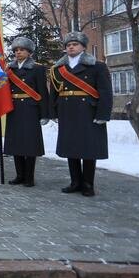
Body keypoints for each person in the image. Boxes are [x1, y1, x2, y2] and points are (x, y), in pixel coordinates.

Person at [50, 31, 112, 197]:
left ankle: (88, 184)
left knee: (89, 149)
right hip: (66, 111)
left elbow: (105, 92)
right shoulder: (58, 69)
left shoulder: (97, 66)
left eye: (75, 44)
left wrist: (103, 114)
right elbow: (54, 93)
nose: (71, 47)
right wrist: (54, 111)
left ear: (84, 47)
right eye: (68, 45)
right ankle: (75, 182)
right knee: (71, 147)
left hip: (89, 112)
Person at [4, 36, 49, 187]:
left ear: (29, 52)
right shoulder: (9, 69)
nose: (18, 52)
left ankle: (29, 177)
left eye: (22, 50)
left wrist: (44, 114)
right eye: (16, 50)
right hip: (14, 108)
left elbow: (42, 91)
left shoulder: (37, 68)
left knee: (29, 144)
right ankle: (19, 175)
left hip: (30, 108)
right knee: (16, 143)